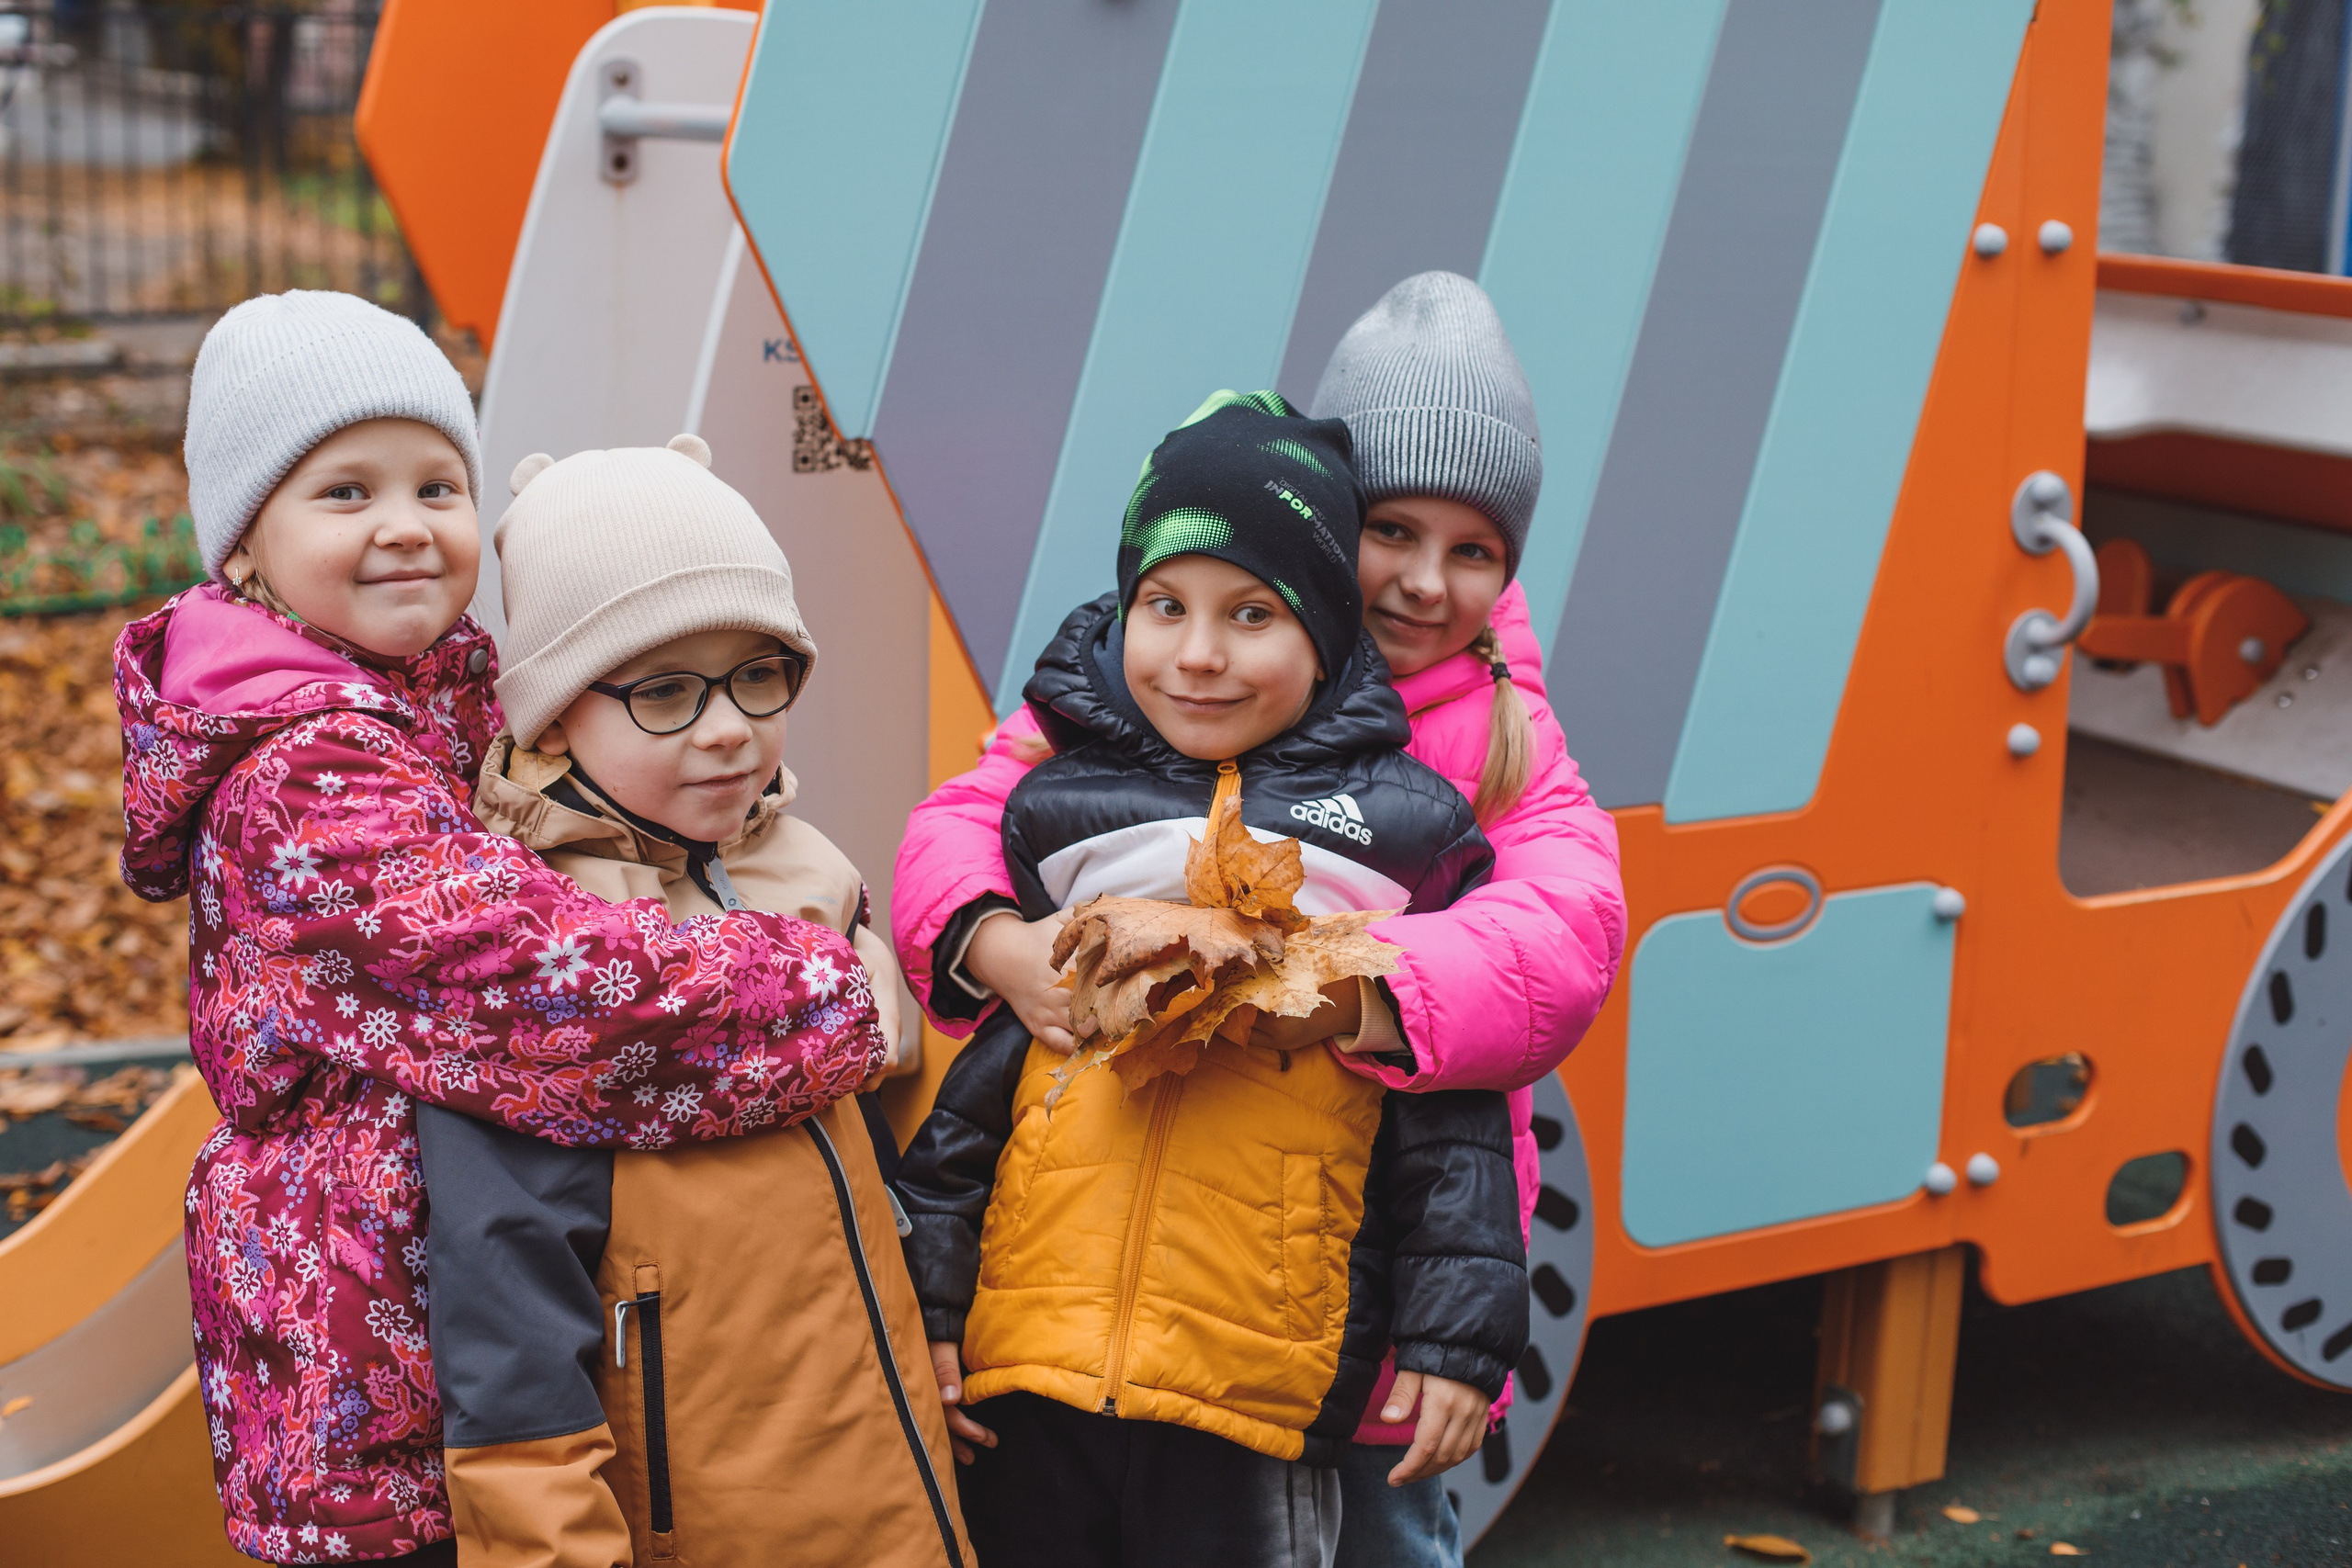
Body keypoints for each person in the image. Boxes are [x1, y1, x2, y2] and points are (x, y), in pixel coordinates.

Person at [114, 294, 888, 1565]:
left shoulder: (439, 712)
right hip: (380, 1392)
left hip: (470, 1341)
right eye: (345, 492)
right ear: (245, 546)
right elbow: (560, 995)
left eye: (437, 482)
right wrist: (834, 989)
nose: (407, 526)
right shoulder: (304, 781)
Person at [894, 272, 1625, 1566]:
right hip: (1130, 1282)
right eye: (1391, 530)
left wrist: (1345, 982)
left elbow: (1565, 932)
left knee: (1381, 1526)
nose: (1420, 581)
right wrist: (1001, 945)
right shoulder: (1169, 681)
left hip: (1382, 1259)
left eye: (1474, 550)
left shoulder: (1494, 729)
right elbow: (974, 813)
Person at [413, 436, 970, 1568]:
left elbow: (896, 1156)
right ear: (557, 716)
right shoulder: (537, 962)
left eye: (758, 675)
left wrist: (939, 1325)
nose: (728, 728)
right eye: (665, 690)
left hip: (893, 1488)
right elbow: (512, 1367)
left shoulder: (807, 870)